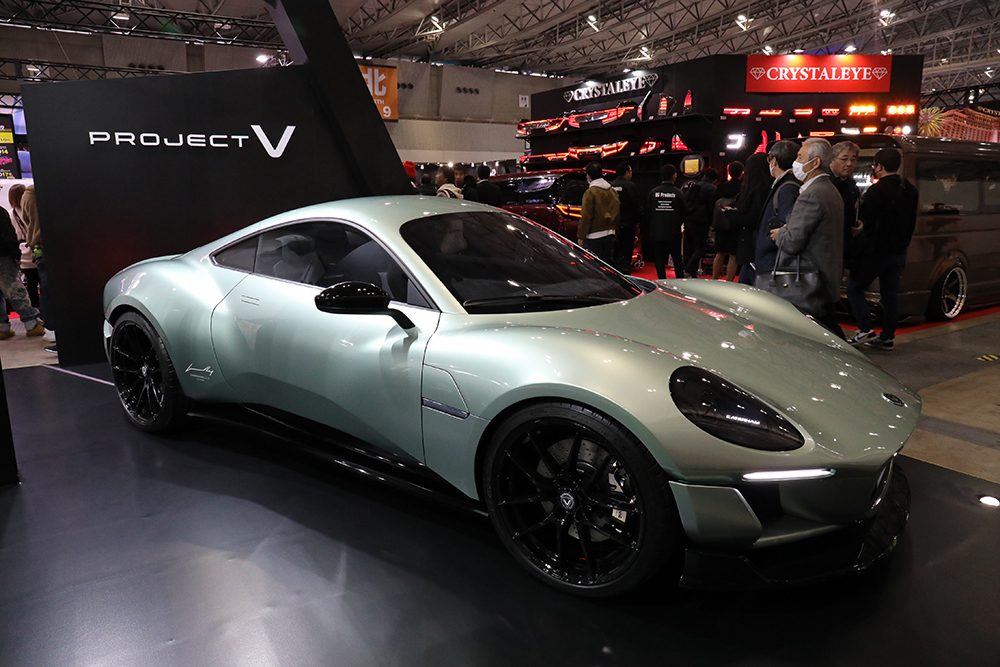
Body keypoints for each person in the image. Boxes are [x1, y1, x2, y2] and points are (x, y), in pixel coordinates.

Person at [769, 138, 845, 338]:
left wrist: (781, 233)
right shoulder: (829, 190)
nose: (796, 162)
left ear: (815, 162)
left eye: (800, 157)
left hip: (809, 281)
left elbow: (792, 242)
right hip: (823, 277)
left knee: (819, 335)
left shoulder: (812, 194)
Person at [845, 148, 919, 351]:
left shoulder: (876, 191)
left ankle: (865, 329)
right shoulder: (910, 190)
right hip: (899, 251)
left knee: (854, 288)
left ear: (879, 166)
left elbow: (864, 220)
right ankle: (887, 338)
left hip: (876, 250)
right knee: (890, 296)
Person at [754, 140, 801, 281]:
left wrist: (764, 243)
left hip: (774, 260)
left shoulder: (787, 188)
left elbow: (788, 225)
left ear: (774, 161)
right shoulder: (786, 185)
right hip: (770, 257)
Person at [0, 196, 43, 341]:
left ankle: (2, 327)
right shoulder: (0, 212)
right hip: (3, 257)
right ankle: (31, 323)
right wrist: (16, 256)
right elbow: (8, 237)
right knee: (15, 290)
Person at [23, 185, 55, 351]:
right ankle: (52, 328)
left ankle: (50, 328)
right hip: (45, 246)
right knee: (49, 289)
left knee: (45, 288)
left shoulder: (28, 196)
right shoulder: (36, 195)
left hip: (38, 248)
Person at [731, 154, 773, 285]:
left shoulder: (758, 190)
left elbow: (753, 218)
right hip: (755, 245)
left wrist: (733, 215)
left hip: (753, 245)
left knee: (747, 284)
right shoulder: (768, 188)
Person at [645, 164, 686, 279]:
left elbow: (647, 212)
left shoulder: (653, 193)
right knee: (677, 259)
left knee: (659, 260)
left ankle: (661, 282)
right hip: (673, 233)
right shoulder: (678, 193)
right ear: (674, 175)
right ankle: (680, 282)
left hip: (656, 233)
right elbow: (684, 213)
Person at [828, 142, 863, 266]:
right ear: (832, 159)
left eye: (853, 160)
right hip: (828, 246)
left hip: (846, 243)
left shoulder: (850, 183)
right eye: (844, 159)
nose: (849, 164)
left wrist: (858, 222)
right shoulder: (825, 182)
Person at [578, 161, 620, 263]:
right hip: (610, 233)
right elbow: (617, 212)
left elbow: (586, 216)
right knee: (605, 266)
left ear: (588, 175)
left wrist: (581, 236)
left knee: (592, 266)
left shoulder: (590, 192)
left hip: (594, 236)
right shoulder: (612, 191)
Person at [7, 183, 39, 308]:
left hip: (22, 254)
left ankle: (35, 307)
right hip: (34, 249)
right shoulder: (31, 210)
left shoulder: (10, 214)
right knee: (43, 280)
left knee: (31, 283)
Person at [682, 168, 718, 277]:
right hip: (701, 221)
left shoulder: (693, 186)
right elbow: (711, 207)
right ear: (715, 180)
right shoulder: (712, 189)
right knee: (700, 248)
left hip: (688, 219)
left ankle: (690, 272)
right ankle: (688, 269)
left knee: (689, 247)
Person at [712, 161, 743, 280]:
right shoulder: (742, 188)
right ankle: (729, 281)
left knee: (719, 253)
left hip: (720, 224)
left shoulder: (721, 187)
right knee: (733, 255)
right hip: (735, 224)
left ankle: (714, 279)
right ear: (741, 173)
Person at [610, 162, 642, 274]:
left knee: (615, 254)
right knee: (626, 255)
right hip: (627, 225)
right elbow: (636, 206)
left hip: (613, 226)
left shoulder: (610, 186)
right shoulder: (630, 186)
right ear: (626, 172)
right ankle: (625, 277)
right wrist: (638, 221)